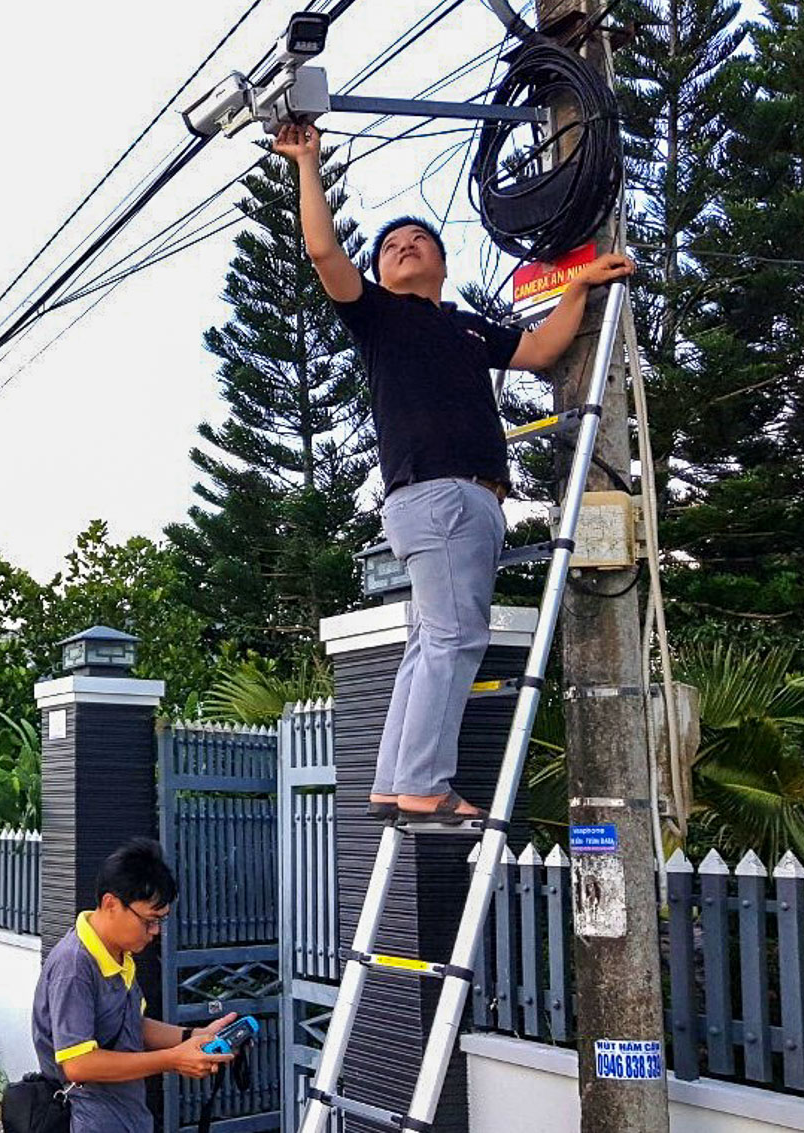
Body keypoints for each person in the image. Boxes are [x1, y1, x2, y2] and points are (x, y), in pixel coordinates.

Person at [274, 120, 633, 823]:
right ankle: (423, 783)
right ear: (380, 274)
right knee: (453, 638)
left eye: (419, 242)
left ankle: (395, 778)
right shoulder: (378, 316)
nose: (405, 249)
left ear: (440, 261)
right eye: (391, 249)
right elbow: (322, 250)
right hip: (440, 496)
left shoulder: (465, 326)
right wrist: (308, 165)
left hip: (456, 503)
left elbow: (538, 351)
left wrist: (580, 286)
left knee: (429, 641)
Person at [29, 838, 235, 1133]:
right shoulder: (74, 966)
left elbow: (130, 1025)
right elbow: (78, 1063)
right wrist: (174, 1059)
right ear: (111, 904)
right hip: (87, 1121)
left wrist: (194, 1036)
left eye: (161, 921)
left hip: (127, 1115)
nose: (155, 932)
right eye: (149, 920)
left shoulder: (118, 952)